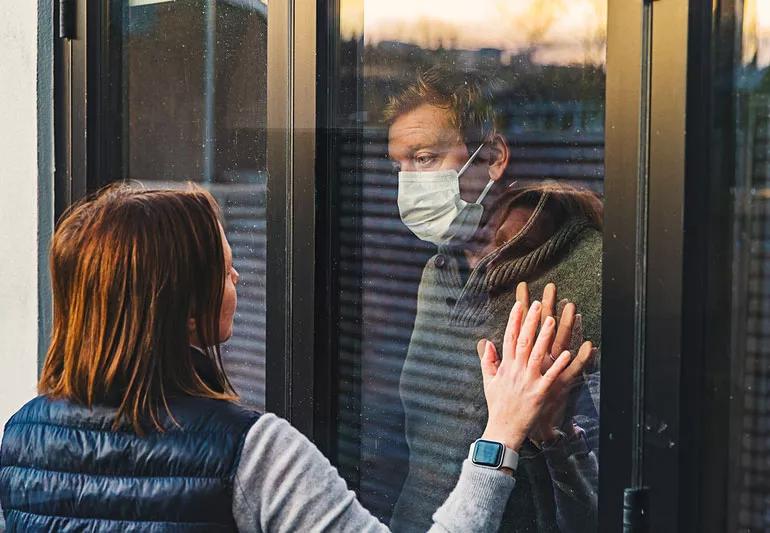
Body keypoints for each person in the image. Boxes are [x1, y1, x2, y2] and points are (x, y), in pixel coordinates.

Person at [0, 183, 592, 532]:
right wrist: (502, 435)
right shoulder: (251, 451)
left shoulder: (21, 437)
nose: (236, 275)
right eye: (223, 267)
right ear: (181, 308)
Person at [385, 65, 602, 532]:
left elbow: (603, 482)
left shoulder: (587, 275)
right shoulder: (437, 274)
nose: (407, 183)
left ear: (493, 157)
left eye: (424, 159)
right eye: (399, 165)